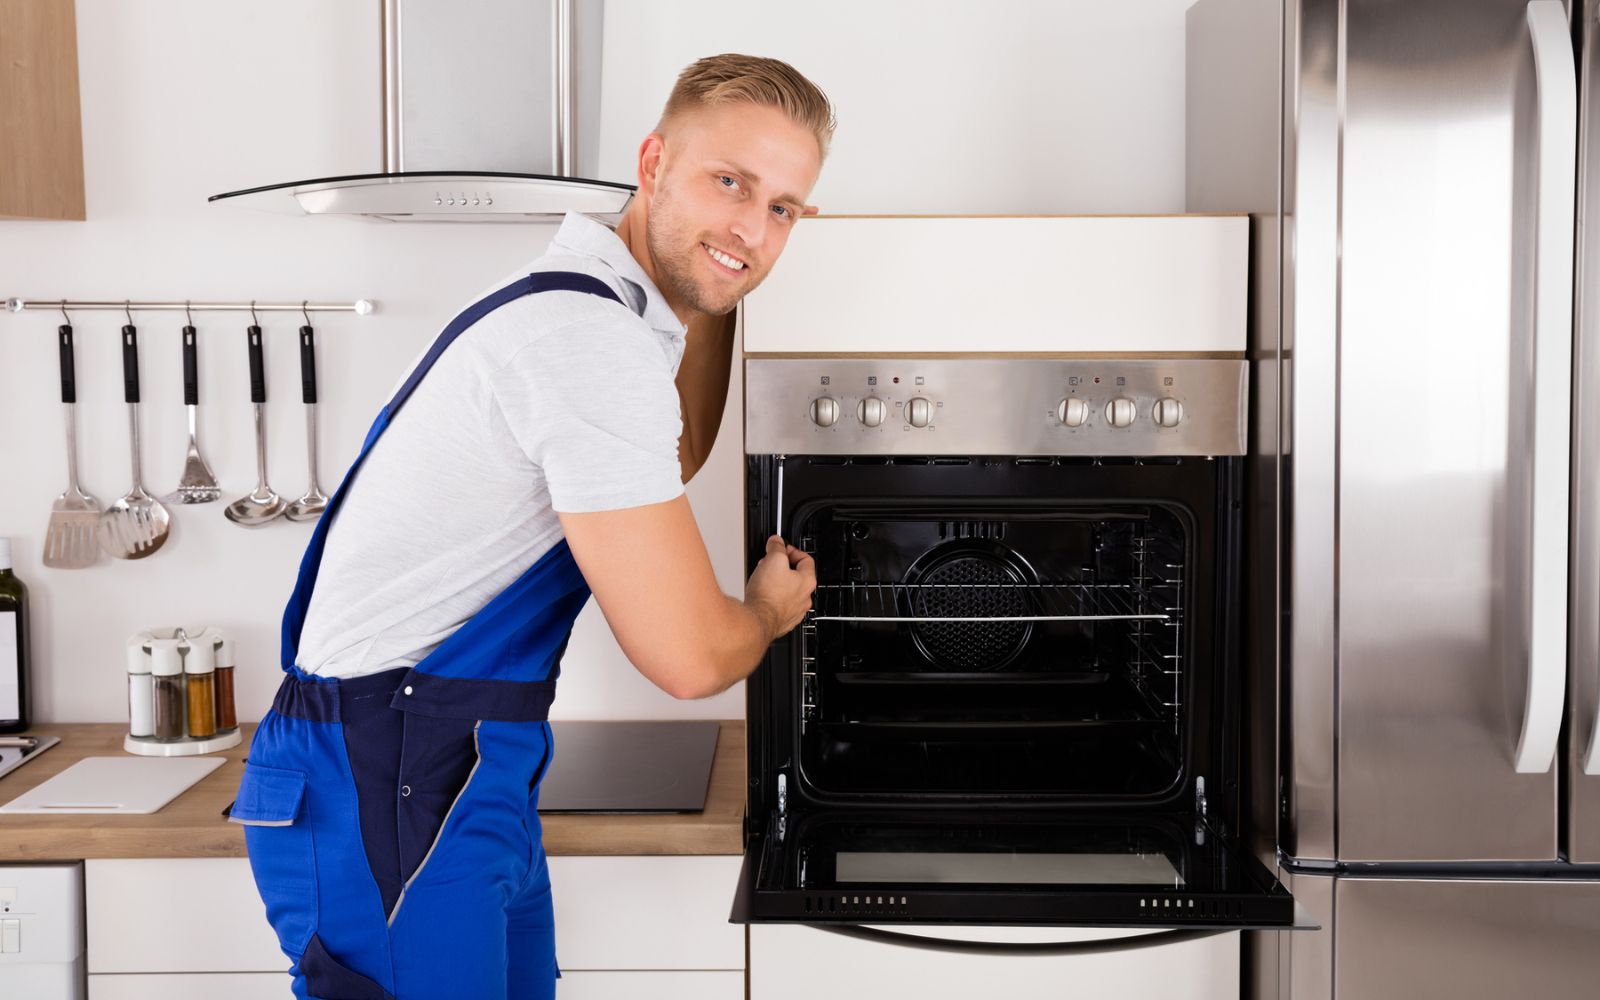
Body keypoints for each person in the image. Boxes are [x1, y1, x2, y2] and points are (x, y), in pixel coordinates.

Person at [228, 53, 833, 999]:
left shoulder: (601, 316)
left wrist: (714, 271)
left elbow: (666, 458)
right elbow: (688, 658)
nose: (754, 229)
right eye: (731, 182)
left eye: (784, 209)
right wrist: (764, 611)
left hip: (465, 769)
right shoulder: (584, 341)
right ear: (652, 160)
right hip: (382, 772)